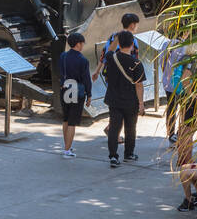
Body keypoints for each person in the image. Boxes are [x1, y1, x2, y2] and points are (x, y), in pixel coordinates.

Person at [102, 30, 146, 167]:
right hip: (130, 101)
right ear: (132, 44)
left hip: (114, 100)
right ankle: (129, 154)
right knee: (130, 128)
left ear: (119, 44)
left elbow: (109, 50)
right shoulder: (136, 63)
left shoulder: (111, 58)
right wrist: (141, 103)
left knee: (114, 128)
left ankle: (113, 156)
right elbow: (139, 85)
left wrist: (116, 38)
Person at [59, 32, 92, 157]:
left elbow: (60, 72)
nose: (83, 45)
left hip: (65, 89)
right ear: (78, 44)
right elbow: (86, 79)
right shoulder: (83, 60)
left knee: (66, 119)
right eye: (82, 43)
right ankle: (67, 150)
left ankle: (67, 145)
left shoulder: (63, 56)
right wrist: (89, 95)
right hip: (77, 91)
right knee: (72, 122)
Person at [92, 11, 140, 82]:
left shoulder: (113, 37)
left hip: (110, 74)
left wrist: (97, 72)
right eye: (137, 24)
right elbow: (135, 60)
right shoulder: (133, 40)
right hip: (124, 77)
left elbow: (104, 54)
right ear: (132, 25)